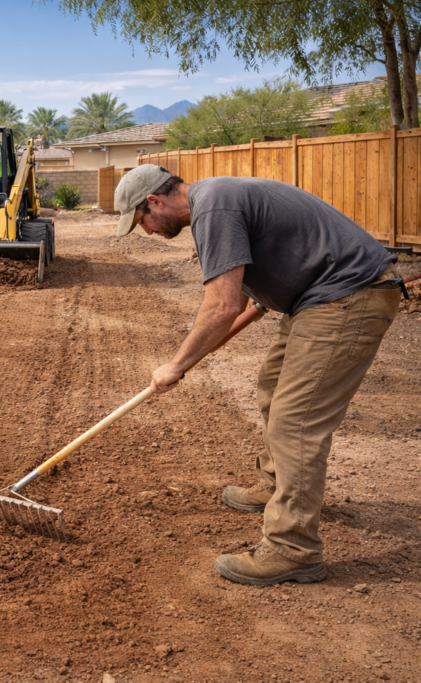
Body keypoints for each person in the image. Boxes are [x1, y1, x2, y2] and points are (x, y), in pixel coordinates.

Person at [114, 164, 402, 586]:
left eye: (141, 221)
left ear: (154, 201)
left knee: (295, 420)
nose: (147, 231)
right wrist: (202, 351)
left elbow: (220, 306)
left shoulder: (213, 209)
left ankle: (293, 549)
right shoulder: (216, 199)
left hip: (346, 297)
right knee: (272, 385)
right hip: (316, 298)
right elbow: (250, 294)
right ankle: (277, 485)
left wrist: (175, 365)